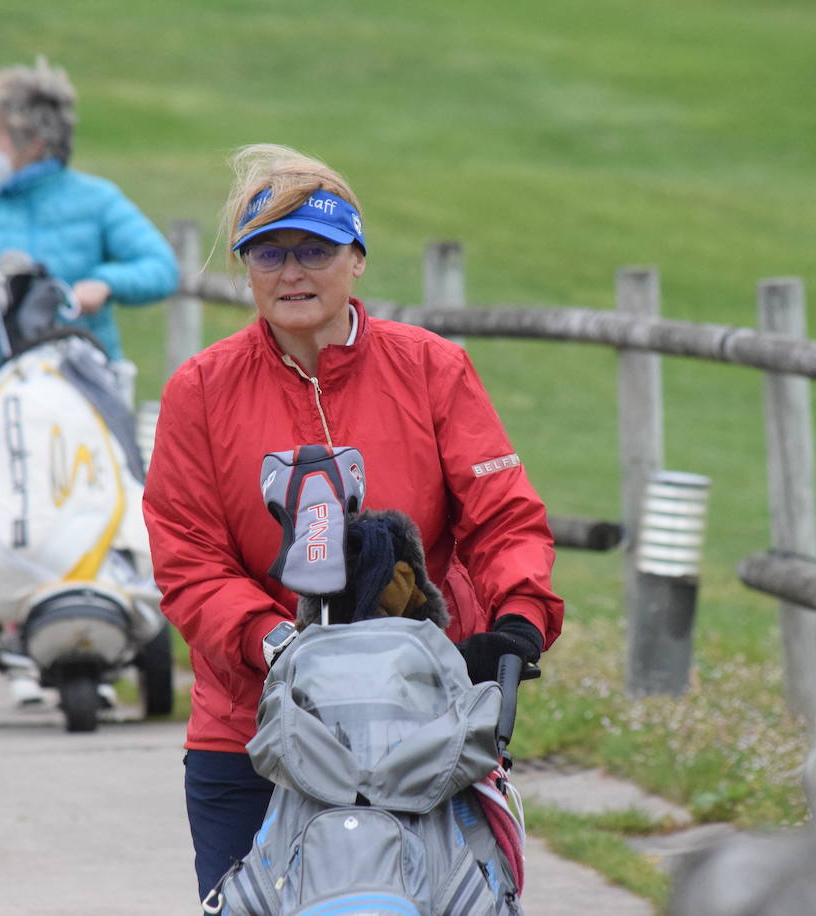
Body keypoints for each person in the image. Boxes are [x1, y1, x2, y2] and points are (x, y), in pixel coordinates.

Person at [142, 143, 564, 902]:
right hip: (252, 734)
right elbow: (190, 559)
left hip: (424, 728)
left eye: (315, 250)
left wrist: (520, 619)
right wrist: (277, 645)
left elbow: (503, 519)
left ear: (358, 258)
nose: (292, 272)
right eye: (267, 253)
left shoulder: (432, 368)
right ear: (245, 270)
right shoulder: (200, 392)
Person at [0, 59, 178, 407]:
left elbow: (161, 267)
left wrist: (106, 283)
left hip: (87, 389)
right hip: (0, 390)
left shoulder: (97, 199)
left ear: (31, 141)